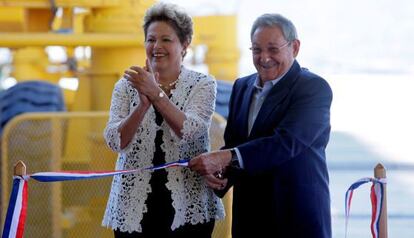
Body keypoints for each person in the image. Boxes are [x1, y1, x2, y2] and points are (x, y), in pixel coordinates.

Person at [189, 13, 332, 238]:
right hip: (249, 218)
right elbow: (236, 143)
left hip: (296, 218)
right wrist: (225, 176)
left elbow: (286, 142)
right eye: (256, 50)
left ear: (294, 47)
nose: (264, 57)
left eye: (273, 49)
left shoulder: (314, 88)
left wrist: (224, 157)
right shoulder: (242, 86)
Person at [102, 2, 224, 237]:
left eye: (166, 40)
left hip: (189, 207)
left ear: (184, 44)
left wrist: (156, 94)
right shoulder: (126, 86)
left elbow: (190, 131)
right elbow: (114, 141)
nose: (156, 46)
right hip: (133, 209)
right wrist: (141, 107)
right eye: (151, 39)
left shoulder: (202, 84)